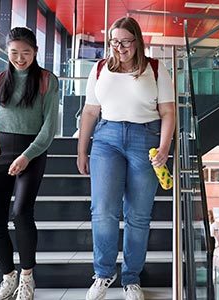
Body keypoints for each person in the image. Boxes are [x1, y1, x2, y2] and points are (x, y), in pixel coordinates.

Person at [76, 16, 175, 300]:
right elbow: (90, 112)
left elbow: (168, 112)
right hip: (106, 140)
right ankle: (104, 274)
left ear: (138, 41)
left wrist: (165, 147)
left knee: (139, 216)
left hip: (146, 140)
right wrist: (82, 149)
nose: (120, 47)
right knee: (103, 211)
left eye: (126, 41)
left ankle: (131, 279)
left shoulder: (156, 69)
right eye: (114, 41)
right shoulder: (99, 69)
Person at [0, 27, 59, 300]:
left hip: (33, 153)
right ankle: (8, 277)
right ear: (8, 51)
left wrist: (27, 156)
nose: (20, 58)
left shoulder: (46, 81)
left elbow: (49, 128)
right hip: (0, 152)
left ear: (36, 53)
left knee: (21, 213)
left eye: (26, 53)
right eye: (14, 52)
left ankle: (27, 276)